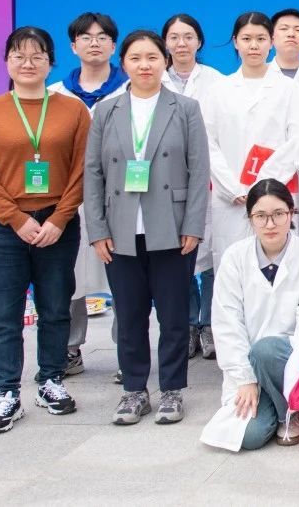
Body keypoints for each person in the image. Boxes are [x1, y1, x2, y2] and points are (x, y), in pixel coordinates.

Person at [0, 26, 91, 433]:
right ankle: (6, 390)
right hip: (4, 227)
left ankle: (51, 379)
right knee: (3, 314)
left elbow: (82, 170)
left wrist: (59, 218)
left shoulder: (72, 110)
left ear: (50, 63)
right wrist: (15, 219)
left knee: (55, 307)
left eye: (37, 56)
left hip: (57, 223)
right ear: (7, 62)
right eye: (19, 55)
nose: (28, 63)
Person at [83, 30, 210, 426]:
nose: (144, 65)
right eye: (135, 58)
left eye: (152, 57)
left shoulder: (185, 108)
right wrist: (97, 230)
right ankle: (134, 389)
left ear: (164, 62)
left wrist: (193, 225)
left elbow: (199, 170)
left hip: (171, 226)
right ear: (123, 64)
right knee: (130, 314)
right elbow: (93, 173)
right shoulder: (106, 111)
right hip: (120, 228)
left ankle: (172, 389)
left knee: (173, 315)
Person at [201, 12, 299, 331]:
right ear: (235, 42)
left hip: (274, 195)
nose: (254, 46)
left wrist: (262, 189)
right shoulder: (218, 89)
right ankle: (233, 340)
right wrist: (234, 188)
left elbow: (297, 139)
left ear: (271, 42)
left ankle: (278, 338)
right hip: (230, 198)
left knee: (279, 268)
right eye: (246, 39)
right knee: (232, 269)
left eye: (261, 39)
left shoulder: (288, 89)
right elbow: (208, 143)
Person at [207, 179, 299, 450]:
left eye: (278, 214)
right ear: (250, 218)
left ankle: (290, 412)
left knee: (267, 350)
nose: (270, 224)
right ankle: (274, 402)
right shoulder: (234, 258)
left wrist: (281, 366)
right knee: (250, 436)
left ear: (291, 213)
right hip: (249, 366)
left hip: (289, 359)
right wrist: (245, 379)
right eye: (261, 216)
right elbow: (227, 322)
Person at [48, 12, 127, 378]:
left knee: (125, 278)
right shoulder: (54, 94)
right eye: (86, 37)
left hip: (122, 198)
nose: (94, 43)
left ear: (114, 45)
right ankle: (69, 348)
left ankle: (127, 350)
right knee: (68, 276)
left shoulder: (132, 89)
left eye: (102, 37)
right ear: (73, 45)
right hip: (69, 198)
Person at [161, 13, 225, 361]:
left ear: (199, 41)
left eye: (188, 36)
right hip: (166, 180)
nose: (181, 43)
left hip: (209, 177)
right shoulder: (153, 79)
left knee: (212, 252)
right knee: (177, 252)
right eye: (174, 37)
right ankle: (187, 322)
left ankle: (209, 323)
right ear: (165, 42)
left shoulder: (216, 81)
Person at [268, 8, 299, 80]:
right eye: (284, 28)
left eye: (298, 30)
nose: (291, 34)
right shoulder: (258, 74)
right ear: (272, 38)